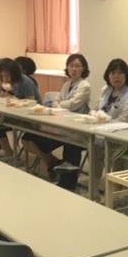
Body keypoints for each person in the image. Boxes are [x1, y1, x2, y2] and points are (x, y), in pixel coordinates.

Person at [23, 53, 91, 189]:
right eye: (71, 66)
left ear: (83, 68)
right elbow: (57, 101)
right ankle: (53, 163)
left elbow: (73, 105)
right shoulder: (67, 84)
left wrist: (60, 104)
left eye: (77, 66)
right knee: (28, 138)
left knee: (71, 145)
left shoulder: (85, 86)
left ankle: (67, 182)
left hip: (75, 130)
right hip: (61, 125)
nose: (74, 69)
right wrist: (61, 104)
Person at [0, 58, 41, 157]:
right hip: (16, 113)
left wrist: (12, 98)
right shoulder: (10, 82)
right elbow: (9, 95)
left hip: (32, 116)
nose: (5, 78)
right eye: (2, 76)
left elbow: (31, 102)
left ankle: (8, 153)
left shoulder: (25, 81)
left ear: (14, 73)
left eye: (7, 76)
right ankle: (7, 151)